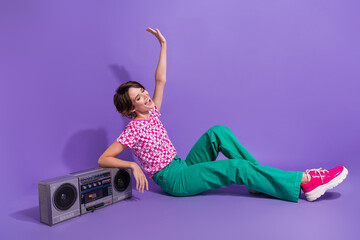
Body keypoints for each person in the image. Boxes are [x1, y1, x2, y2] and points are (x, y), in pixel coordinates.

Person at [98, 27, 348, 202]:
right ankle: (304, 182)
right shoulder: (132, 130)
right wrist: (132, 164)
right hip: (174, 180)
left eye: (143, 91)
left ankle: (260, 182)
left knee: (218, 132)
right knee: (235, 168)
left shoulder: (152, 114)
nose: (147, 96)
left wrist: (163, 45)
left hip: (181, 165)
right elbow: (104, 158)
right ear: (131, 109)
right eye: (139, 97)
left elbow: (160, 80)